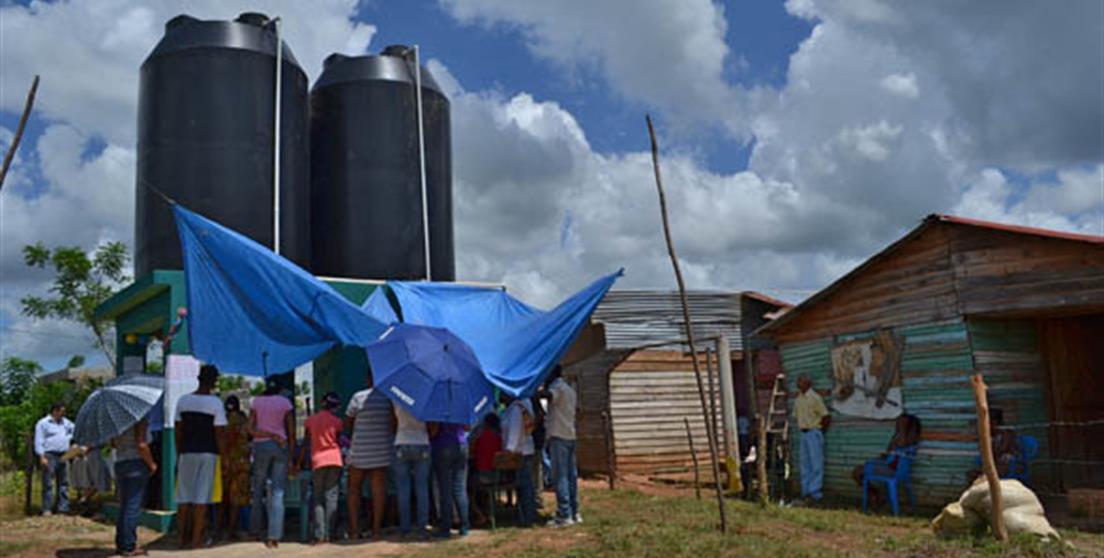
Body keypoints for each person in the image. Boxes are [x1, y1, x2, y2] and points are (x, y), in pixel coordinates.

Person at [175, 364, 227, 549]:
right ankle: (196, 540)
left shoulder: (183, 400)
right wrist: (224, 457)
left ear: (198, 378)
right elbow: (219, 433)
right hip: (208, 453)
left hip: (186, 453)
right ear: (214, 382)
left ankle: (181, 539)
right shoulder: (216, 403)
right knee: (201, 499)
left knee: (183, 498)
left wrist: (179, 452)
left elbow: (178, 431)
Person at [345, 371, 394, 540]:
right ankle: (376, 530)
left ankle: (354, 529)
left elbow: (348, 422)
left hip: (360, 449)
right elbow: (392, 424)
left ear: (367, 379)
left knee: (353, 489)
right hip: (381, 449)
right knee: (378, 490)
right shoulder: (388, 398)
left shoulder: (358, 397)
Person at [249, 379, 295, 548]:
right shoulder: (285, 403)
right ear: (280, 389)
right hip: (280, 447)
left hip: (260, 446)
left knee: (258, 489)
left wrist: (267, 434)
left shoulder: (256, 402)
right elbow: (291, 431)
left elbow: (250, 429)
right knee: (277, 491)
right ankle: (273, 536)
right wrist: (290, 455)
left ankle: (254, 531)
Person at [852, 413, 922, 509]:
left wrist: (901, 430)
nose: (897, 424)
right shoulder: (904, 438)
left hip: (893, 471)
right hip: (894, 468)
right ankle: (875, 494)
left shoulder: (906, 439)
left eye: (900, 423)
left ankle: (875, 494)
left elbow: (899, 445)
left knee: (858, 472)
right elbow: (890, 451)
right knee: (861, 469)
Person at [112, 417, 157, 557]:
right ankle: (129, 546)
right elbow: (141, 444)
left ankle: (121, 543)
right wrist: (151, 464)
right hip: (136, 464)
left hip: (120, 463)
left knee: (124, 505)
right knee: (132, 506)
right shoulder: (139, 420)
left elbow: (113, 443)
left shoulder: (117, 421)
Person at [304, 392, 344, 544]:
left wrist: (299, 461)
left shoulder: (310, 421)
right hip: (335, 459)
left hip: (318, 461)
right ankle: (330, 534)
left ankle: (320, 535)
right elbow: (338, 440)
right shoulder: (337, 421)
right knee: (332, 497)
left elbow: (307, 443)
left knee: (318, 498)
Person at [543, 368, 580, 526]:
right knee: (571, 476)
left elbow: (549, 396)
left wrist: (532, 391)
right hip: (570, 435)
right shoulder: (570, 389)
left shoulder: (557, 388)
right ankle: (574, 511)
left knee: (561, 477)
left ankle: (564, 514)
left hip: (559, 436)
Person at [392, 404, 434, 539]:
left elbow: (392, 421)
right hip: (422, 442)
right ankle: (422, 528)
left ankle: (405, 528)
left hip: (401, 441)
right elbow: (431, 425)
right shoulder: (426, 398)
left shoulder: (397, 396)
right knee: (422, 487)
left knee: (403, 488)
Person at [793, 374, 829, 504]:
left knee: (816, 463)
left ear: (808, 384)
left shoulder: (815, 398)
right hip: (803, 433)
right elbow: (796, 416)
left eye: (801, 382)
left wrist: (820, 431)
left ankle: (815, 493)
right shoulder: (798, 399)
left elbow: (825, 416)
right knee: (805, 463)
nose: (798, 384)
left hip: (814, 432)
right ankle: (805, 491)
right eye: (798, 382)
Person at [219, 395, 250, 540]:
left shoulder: (222, 419)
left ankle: (222, 528)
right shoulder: (243, 420)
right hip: (240, 463)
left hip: (224, 462)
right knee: (236, 499)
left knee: (223, 497)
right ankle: (232, 529)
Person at [502, 395, 537, 527]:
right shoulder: (524, 404)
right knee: (525, 485)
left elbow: (514, 433)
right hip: (524, 450)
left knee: (524, 486)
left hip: (519, 452)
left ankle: (526, 517)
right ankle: (527, 515)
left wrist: (509, 451)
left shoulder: (516, 409)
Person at [431, 420, 470, 538]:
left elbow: (434, 431)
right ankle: (464, 525)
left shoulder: (436, 405)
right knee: (460, 488)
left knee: (445, 490)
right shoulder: (461, 402)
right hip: (461, 444)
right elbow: (467, 427)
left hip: (442, 445)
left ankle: (445, 527)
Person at [34, 402, 74, 515]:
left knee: (64, 482)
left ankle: (63, 508)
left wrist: (69, 439)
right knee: (48, 483)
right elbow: (39, 440)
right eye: (62, 411)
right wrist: (41, 456)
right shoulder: (43, 423)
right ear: (55, 411)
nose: (63, 414)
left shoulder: (66, 423)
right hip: (49, 455)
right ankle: (47, 508)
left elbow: (75, 431)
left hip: (64, 454)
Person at [967, 408, 1020, 484]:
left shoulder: (1008, 435)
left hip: (1004, 466)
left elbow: (1015, 451)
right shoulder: (987, 436)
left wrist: (1007, 456)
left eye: (991, 422)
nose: (989, 425)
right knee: (972, 475)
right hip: (990, 465)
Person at [469, 413, 502, 526]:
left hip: (484, 477)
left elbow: (473, 453)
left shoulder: (481, 437)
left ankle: (478, 513)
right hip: (499, 476)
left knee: (468, 486)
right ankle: (487, 511)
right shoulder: (500, 438)